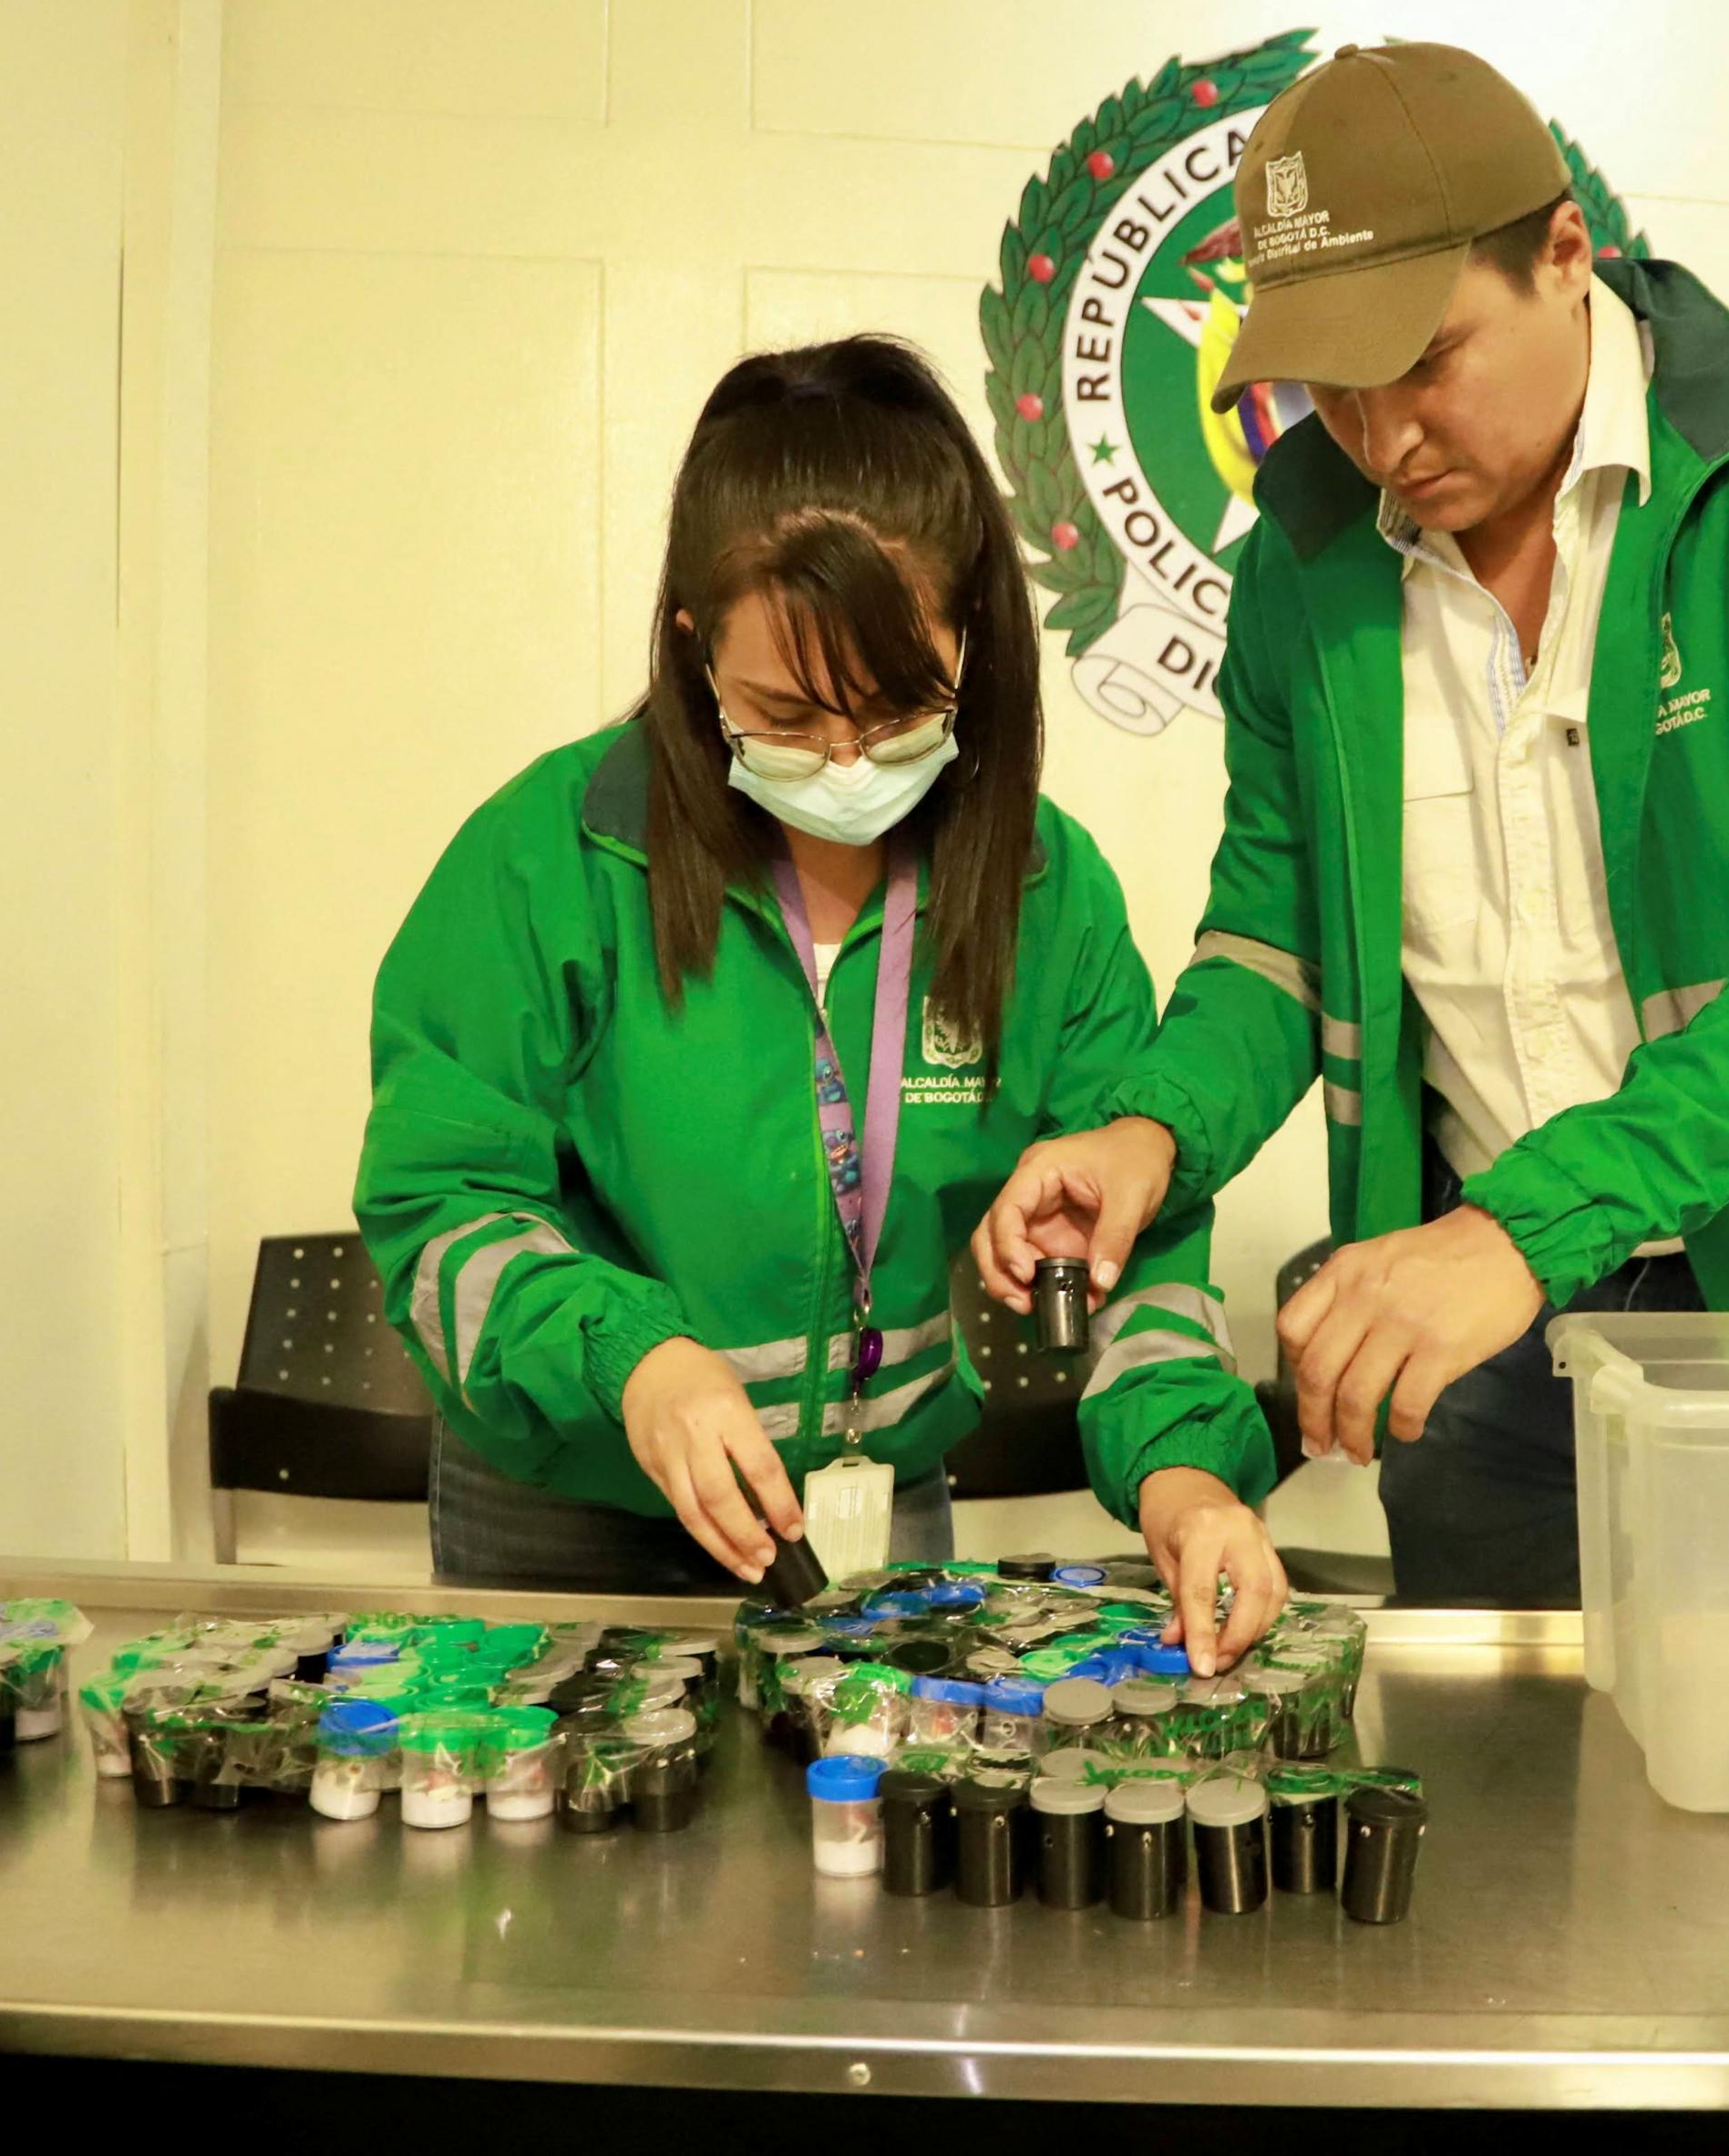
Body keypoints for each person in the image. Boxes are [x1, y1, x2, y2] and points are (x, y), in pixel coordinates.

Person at [977, 43, 1729, 1604]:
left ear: (1565, 252)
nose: (1380, 433)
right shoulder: (1305, 560)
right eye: (1328, 384)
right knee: (1514, 1810)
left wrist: (1526, 1228)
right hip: (1476, 1349)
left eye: (1423, 357)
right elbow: (1270, 948)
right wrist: (1149, 1132)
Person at [359, 335, 1288, 1666]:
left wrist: (1186, 1480)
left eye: (899, 703)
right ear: (693, 653)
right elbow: (437, 1212)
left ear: (975, 633)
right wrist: (636, 1360)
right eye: (787, 714)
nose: (847, 759)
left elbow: (1138, 1238)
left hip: (876, 1513)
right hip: (570, 1515)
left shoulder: (1045, 891)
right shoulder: (550, 859)